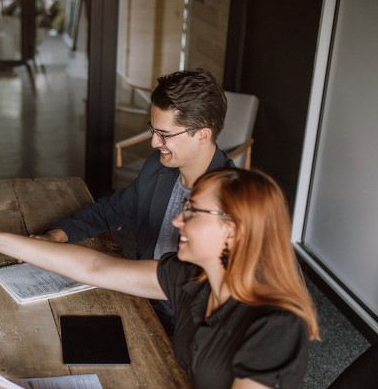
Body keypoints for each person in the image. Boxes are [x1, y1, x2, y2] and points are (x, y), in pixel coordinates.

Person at [0, 168, 321, 389]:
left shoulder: (275, 325)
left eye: (192, 211)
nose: (178, 220)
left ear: (234, 231)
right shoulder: (194, 277)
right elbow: (97, 268)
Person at [36, 69, 236, 336]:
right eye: (153, 130)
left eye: (164, 134)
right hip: (144, 301)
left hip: (193, 327)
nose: (154, 143)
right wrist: (57, 235)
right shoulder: (159, 166)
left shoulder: (233, 201)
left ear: (202, 135)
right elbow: (114, 209)